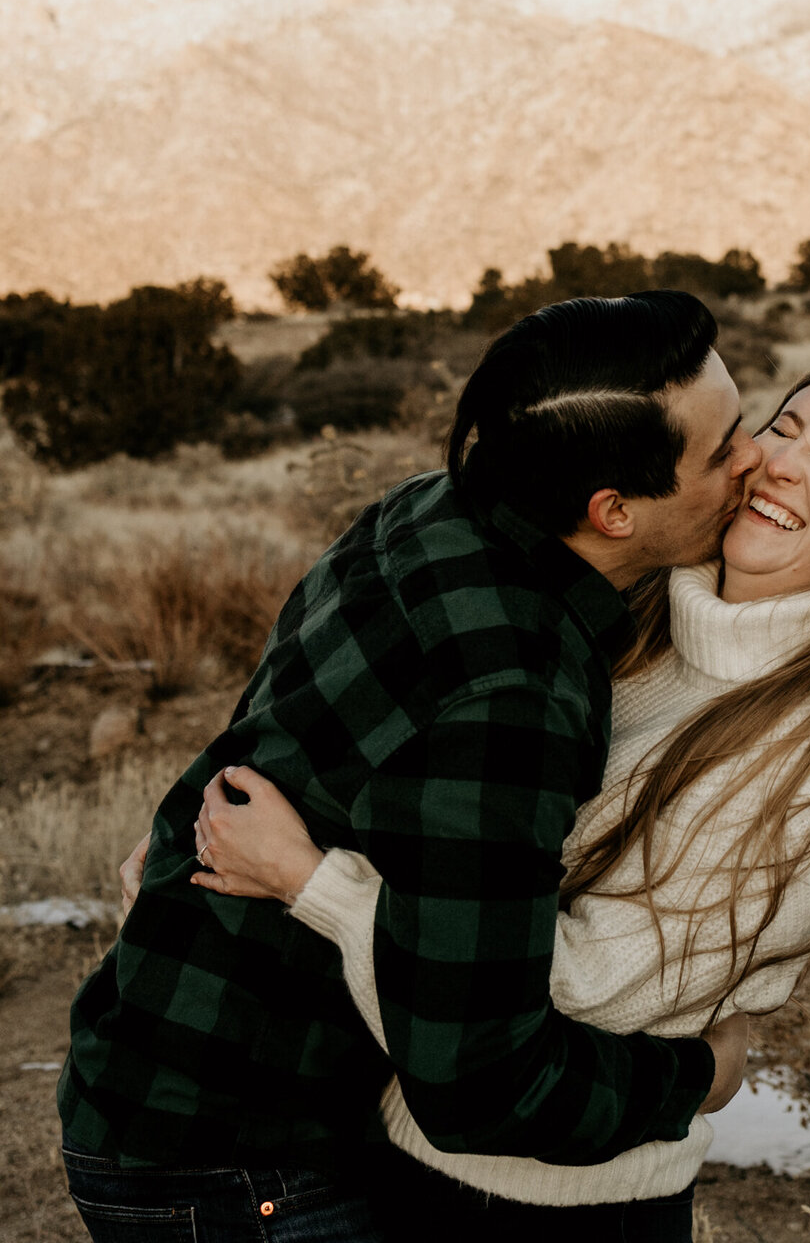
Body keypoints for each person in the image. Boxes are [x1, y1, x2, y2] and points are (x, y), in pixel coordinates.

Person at [173, 354, 810, 1238]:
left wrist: (313, 884)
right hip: (404, 1144)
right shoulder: (629, 619)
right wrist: (196, 823)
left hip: (556, 1207)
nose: (782, 461)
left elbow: (563, 992)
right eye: (785, 426)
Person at [59, 292, 763, 1243]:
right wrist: (699, 1076)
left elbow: (287, 730)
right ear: (615, 512)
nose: (753, 458)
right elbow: (484, 1082)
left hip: (153, 1076)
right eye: (722, 450)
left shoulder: (426, 511)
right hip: (240, 1157)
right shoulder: (514, 690)